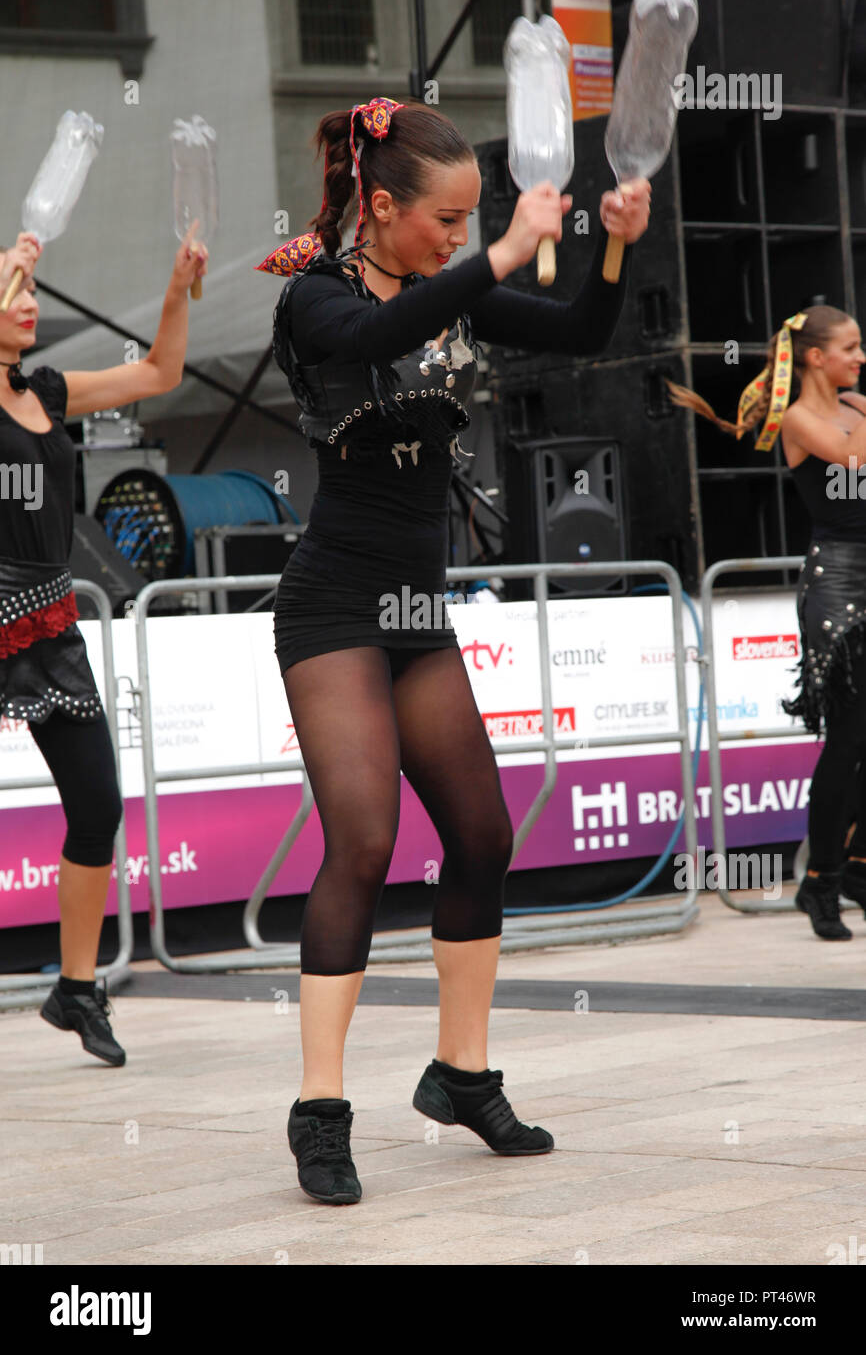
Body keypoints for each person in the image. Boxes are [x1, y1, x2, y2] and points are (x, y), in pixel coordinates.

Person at [256, 96, 650, 1204]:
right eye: (445, 219)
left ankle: (461, 1073)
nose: (459, 238)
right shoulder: (315, 297)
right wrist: (503, 255)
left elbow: (580, 331)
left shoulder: (452, 297)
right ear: (379, 208)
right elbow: (381, 334)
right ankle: (319, 1111)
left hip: (417, 612)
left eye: (473, 219)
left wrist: (612, 241)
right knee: (365, 841)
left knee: (481, 834)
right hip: (331, 607)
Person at [0, 225, 208, 1061]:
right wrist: (10, 264)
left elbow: (158, 374)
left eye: (31, 294)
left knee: (98, 808)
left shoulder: (46, 390)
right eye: (17, 294)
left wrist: (175, 288)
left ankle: (76, 989)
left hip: (47, 623)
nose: (30, 305)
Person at [667, 306, 866, 941]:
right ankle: (823, 884)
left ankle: (856, 870)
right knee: (849, 738)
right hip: (838, 591)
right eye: (851, 348)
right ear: (816, 357)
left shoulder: (857, 408)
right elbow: (850, 467)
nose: (861, 358)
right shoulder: (802, 419)